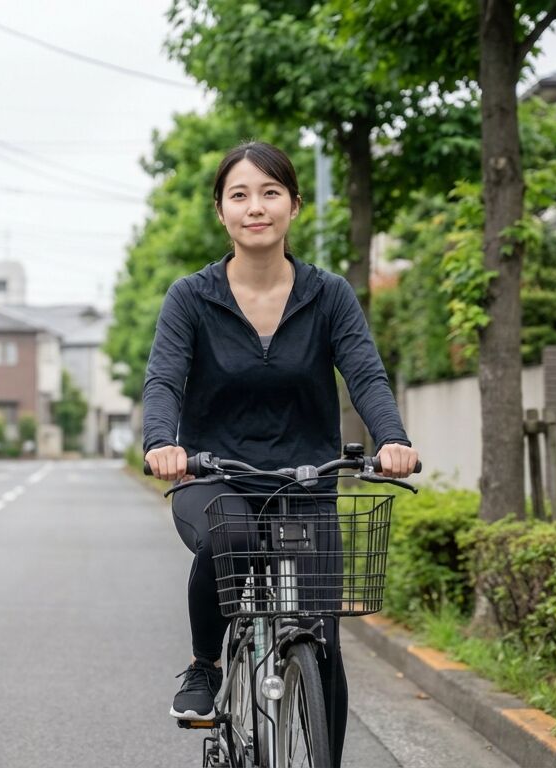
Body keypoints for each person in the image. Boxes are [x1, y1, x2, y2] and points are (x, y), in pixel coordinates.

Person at [141, 141, 419, 764]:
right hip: (213, 476)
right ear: (221, 211)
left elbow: (365, 374)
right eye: (239, 195)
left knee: (325, 645)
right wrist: (162, 443)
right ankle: (205, 665)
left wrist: (393, 438)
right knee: (232, 533)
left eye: (270, 193)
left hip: (306, 479)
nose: (256, 207)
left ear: (294, 205)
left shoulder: (329, 295)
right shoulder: (191, 297)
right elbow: (164, 380)